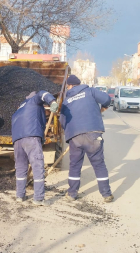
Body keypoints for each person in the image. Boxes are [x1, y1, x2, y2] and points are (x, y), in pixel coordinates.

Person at [59, 75, 114, 203]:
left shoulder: (67, 101)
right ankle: (106, 194)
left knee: (75, 165)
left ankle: (72, 194)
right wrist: (103, 108)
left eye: (68, 86)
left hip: (75, 137)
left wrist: (71, 131)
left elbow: (62, 121)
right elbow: (106, 99)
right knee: (99, 164)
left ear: (70, 86)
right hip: (93, 134)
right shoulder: (90, 91)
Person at [11, 91, 58, 206]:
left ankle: (20, 196)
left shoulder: (18, 110)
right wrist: (52, 101)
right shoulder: (34, 100)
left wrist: (40, 136)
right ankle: (38, 198)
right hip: (31, 137)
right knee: (37, 166)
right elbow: (42, 93)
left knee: (21, 168)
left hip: (17, 141)